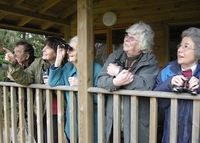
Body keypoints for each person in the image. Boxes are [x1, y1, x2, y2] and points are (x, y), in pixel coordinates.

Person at [97, 21, 159, 143]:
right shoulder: (115, 55)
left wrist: (119, 72)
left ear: (142, 43)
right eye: (126, 36)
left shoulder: (150, 60)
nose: (126, 40)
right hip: (113, 120)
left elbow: (146, 85)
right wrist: (115, 83)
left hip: (136, 121)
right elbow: (100, 80)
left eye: (132, 38)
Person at [3, 36, 68, 143]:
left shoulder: (67, 65)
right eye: (44, 47)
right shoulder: (38, 63)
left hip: (59, 112)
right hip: (40, 110)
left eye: (48, 48)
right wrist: (14, 63)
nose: (43, 49)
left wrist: (54, 84)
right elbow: (25, 78)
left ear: (58, 51)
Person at [48, 36, 102, 143]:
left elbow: (101, 99)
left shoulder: (96, 68)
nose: (68, 52)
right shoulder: (68, 67)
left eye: (71, 49)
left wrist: (82, 85)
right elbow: (52, 83)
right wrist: (58, 58)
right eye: (67, 49)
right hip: (72, 126)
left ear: (82, 50)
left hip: (92, 124)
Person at [154, 27, 200, 143]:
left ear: (198, 53)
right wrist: (169, 84)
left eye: (186, 46)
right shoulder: (167, 71)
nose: (180, 50)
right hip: (171, 134)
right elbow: (158, 101)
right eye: (180, 46)